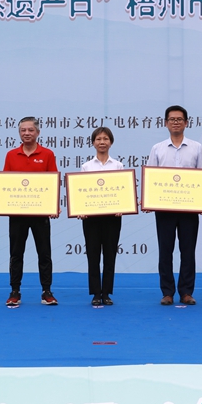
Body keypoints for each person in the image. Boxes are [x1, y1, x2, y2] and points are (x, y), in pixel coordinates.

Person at [148, 105, 202, 306]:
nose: (176, 122)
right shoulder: (157, 148)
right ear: (166, 123)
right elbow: (151, 178)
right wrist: (148, 200)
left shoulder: (196, 147)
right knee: (165, 251)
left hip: (189, 209)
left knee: (188, 251)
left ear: (186, 123)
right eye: (172, 119)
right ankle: (167, 292)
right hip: (164, 209)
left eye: (179, 119)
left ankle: (186, 292)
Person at [2, 116, 58, 306]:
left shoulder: (47, 154)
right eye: (23, 130)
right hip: (17, 214)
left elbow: (53, 182)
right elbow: (4, 184)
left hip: (40, 214)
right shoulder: (11, 155)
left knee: (44, 253)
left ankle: (46, 291)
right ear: (19, 133)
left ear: (38, 132)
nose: (27, 133)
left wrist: (53, 205)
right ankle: (15, 291)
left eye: (30, 130)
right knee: (16, 254)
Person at [79, 126, 124, 306]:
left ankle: (106, 293)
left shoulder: (118, 165)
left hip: (113, 217)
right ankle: (96, 293)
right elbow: (81, 192)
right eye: (98, 139)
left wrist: (122, 206)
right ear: (93, 143)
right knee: (93, 255)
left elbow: (122, 191)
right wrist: (81, 209)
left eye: (105, 139)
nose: (102, 142)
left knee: (110, 256)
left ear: (111, 142)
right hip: (91, 219)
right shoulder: (86, 166)